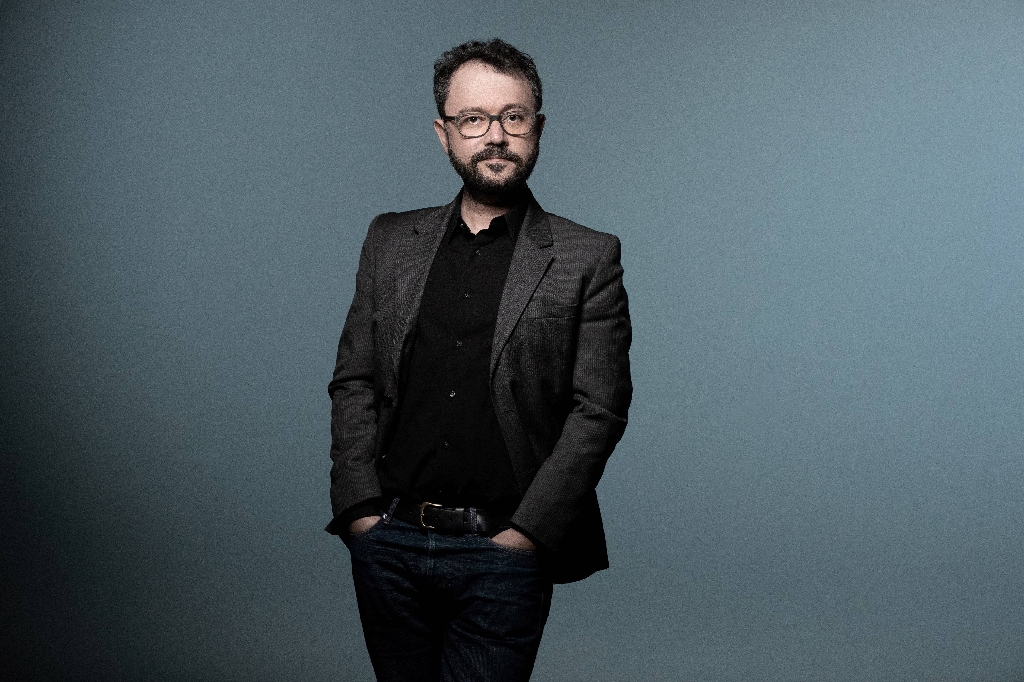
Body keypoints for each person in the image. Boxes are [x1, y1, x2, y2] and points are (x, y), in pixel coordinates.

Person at [325, 38, 632, 682]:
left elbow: (598, 410)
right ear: (444, 134)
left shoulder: (587, 257)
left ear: (537, 128)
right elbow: (355, 378)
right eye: (473, 119)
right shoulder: (389, 241)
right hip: (389, 543)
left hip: (504, 552)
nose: (495, 135)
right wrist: (359, 512)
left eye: (512, 117)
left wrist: (527, 535)